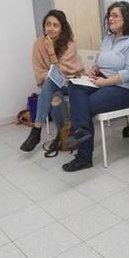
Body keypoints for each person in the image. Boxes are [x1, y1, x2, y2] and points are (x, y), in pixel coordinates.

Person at [63, 1, 129, 171]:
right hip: (102, 82)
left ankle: (83, 155)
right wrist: (95, 68)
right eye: (109, 15)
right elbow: (100, 60)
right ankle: (80, 129)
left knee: (86, 104)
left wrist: (105, 82)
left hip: (124, 89)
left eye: (115, 15)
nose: (110, 18)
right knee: (73, 86)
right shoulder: (109, 37)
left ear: (127, 17)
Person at [20, 10, 84, 152]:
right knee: (55, 97)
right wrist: (50, 76)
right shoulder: (38, 43)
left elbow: (63, 72)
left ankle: (36, 130)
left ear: (62, 28)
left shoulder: (70, 43)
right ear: (44, 26)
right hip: (54, 85)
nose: (51, 28)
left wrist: (51, 50)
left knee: (50, 82)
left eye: (55, 25)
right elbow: (38, 69)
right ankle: (61, 136)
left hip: (73, 83)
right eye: (48, 24)